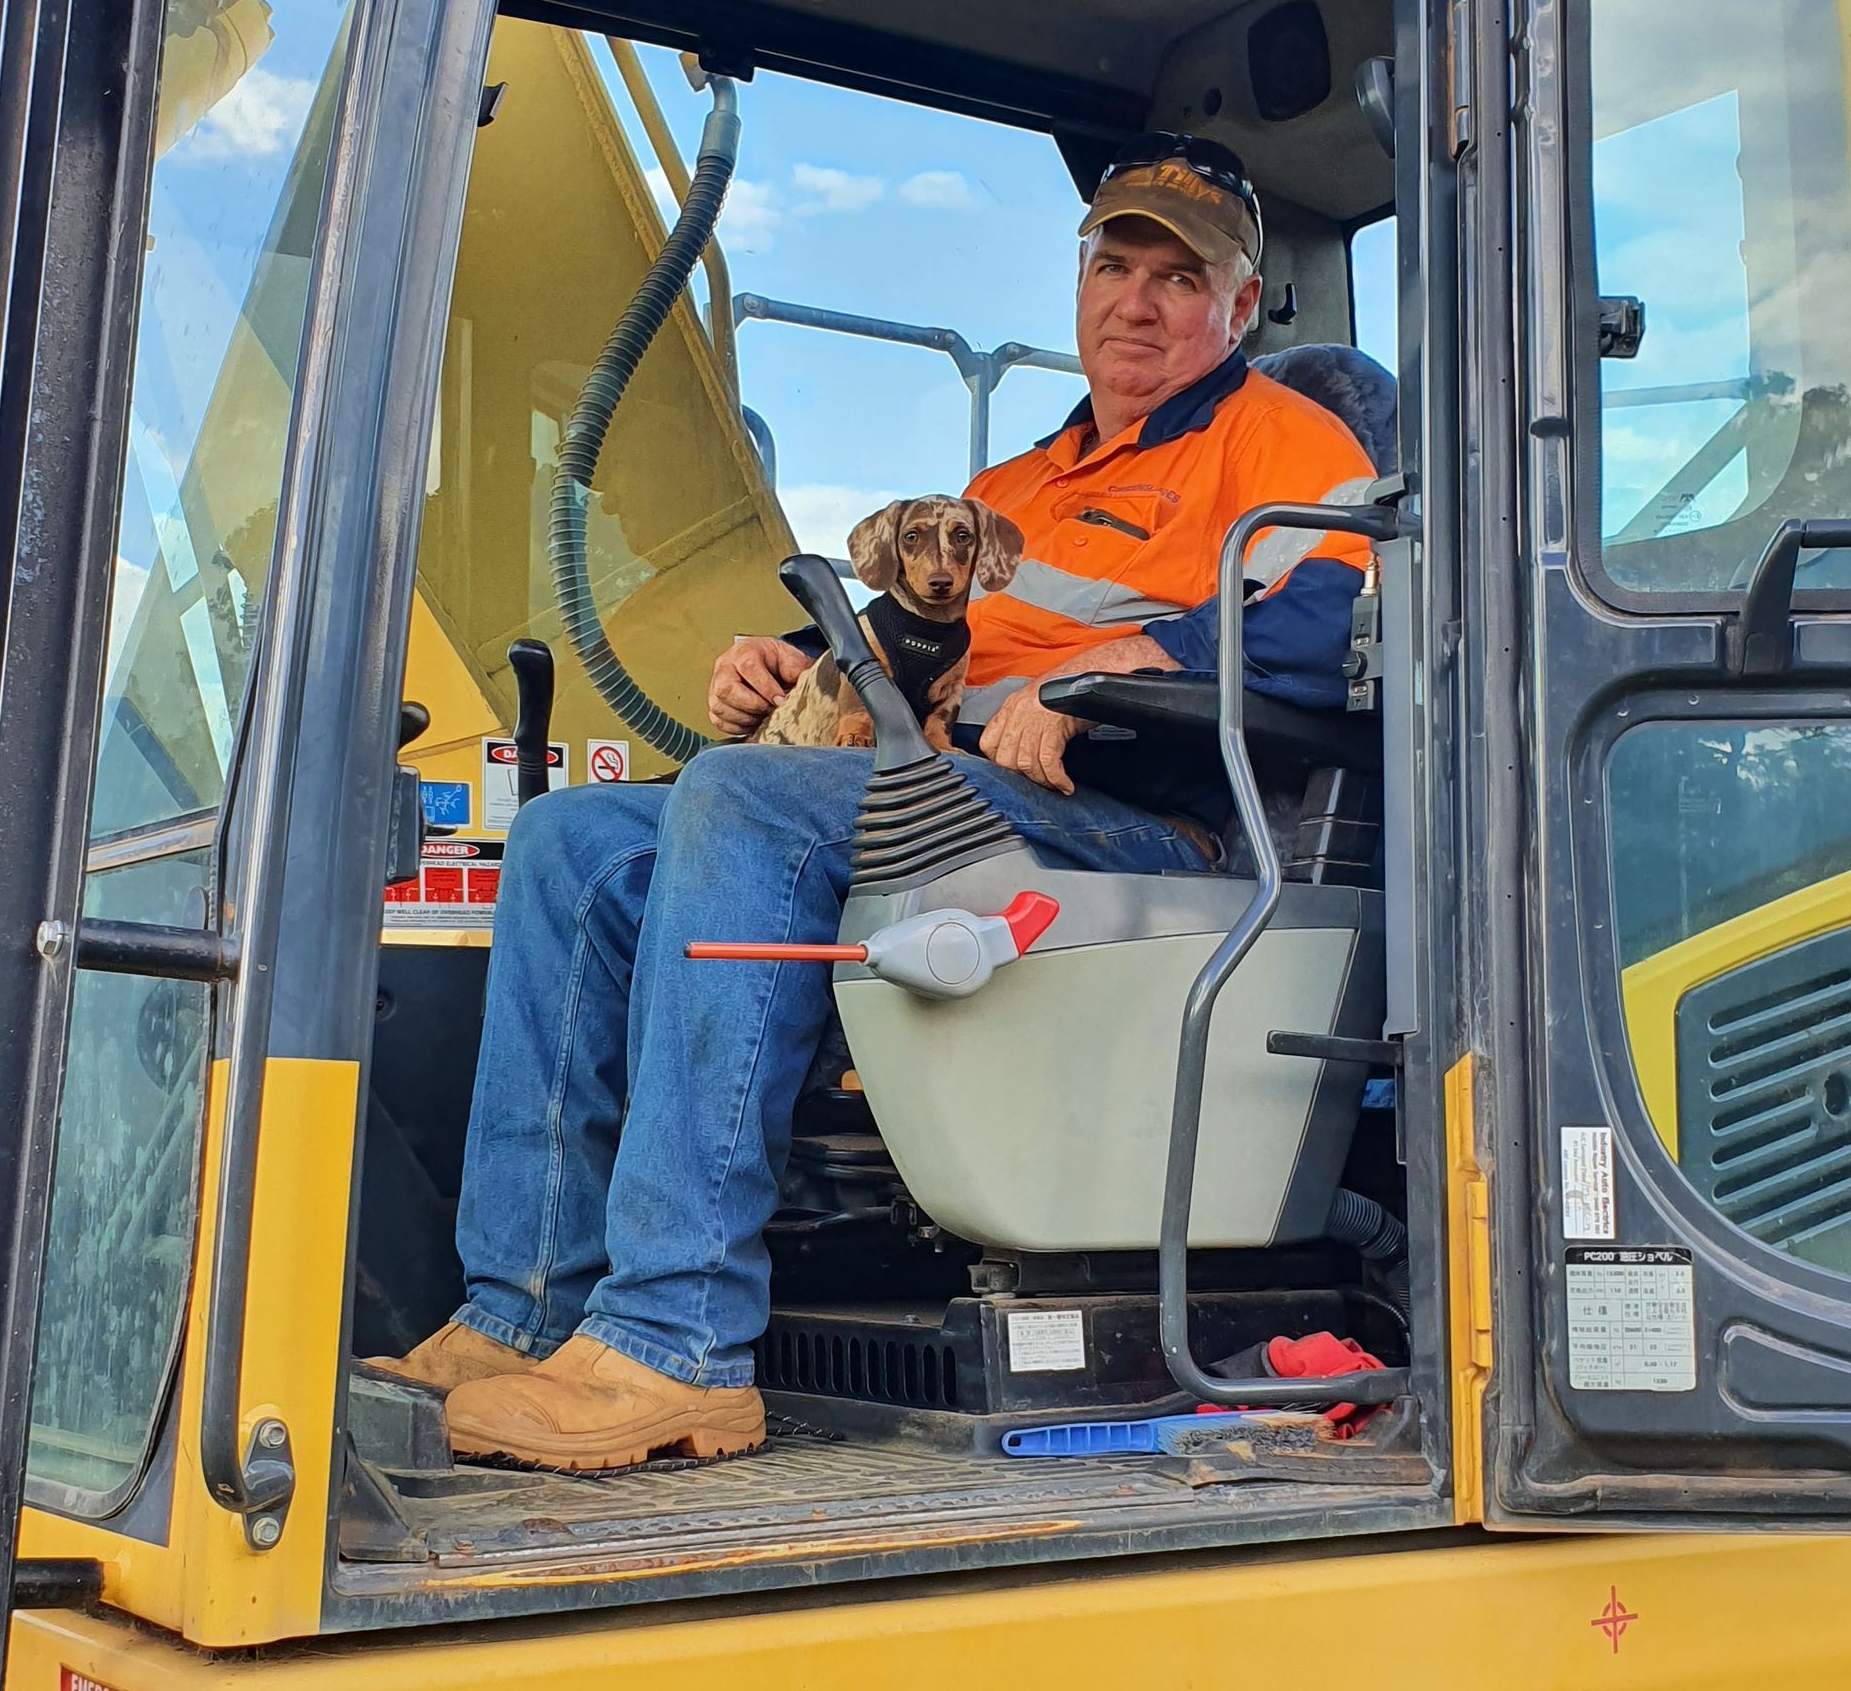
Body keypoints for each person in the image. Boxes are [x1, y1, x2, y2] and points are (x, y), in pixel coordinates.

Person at [369, 136, 1379, 1471]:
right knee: (571, 840)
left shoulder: (1283, 442)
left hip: (1144, 824)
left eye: (1178, 278)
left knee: (743, 810)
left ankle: (675, 1340)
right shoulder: (1012, 491)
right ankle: (525, 1305)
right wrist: (801, 677)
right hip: (954, 784)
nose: (1136, 301)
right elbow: (922, 651)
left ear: (1239, 308)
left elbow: (1346, 620)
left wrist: (1145, 662)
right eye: (1114, 267)